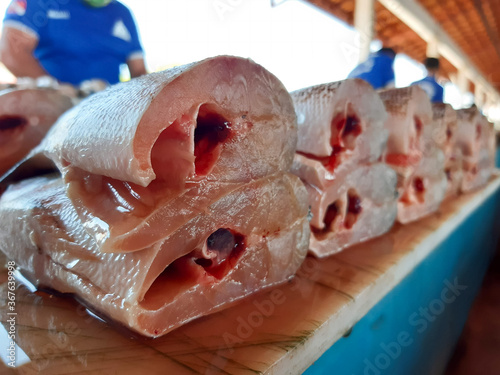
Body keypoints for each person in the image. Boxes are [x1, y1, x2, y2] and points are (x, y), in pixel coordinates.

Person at [0, 0, 147, 86]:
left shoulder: (122, 13)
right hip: (48, 111)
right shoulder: (40, 3)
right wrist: (55, 89)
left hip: (107, 113)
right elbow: (9, 52)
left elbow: (139, 71)